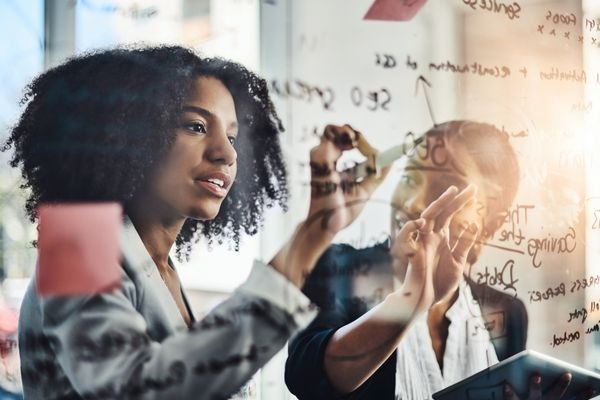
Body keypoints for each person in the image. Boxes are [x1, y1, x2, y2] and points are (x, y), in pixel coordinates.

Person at [2, 46, 420, 399]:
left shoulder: (157, 268)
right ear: (125, 136)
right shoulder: (78, 245)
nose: (226, 153)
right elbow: (144, 387)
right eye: (196, 126)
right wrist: (317, 230)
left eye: (233, 136)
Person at [285, 120, 536, 399]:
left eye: (447, 187)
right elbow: (306, 377)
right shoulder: (340, 268)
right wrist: (409, 304)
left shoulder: (506, 313)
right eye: (409, 179)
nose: (413, 202)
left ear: (490, 223)